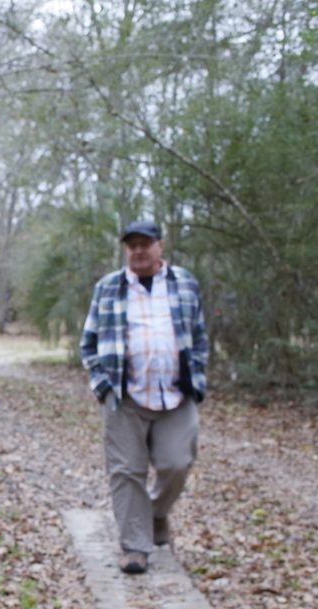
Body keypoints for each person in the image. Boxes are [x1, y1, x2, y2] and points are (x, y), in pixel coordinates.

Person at [79, 221, 209, 574]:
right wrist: (103, 385)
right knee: (127, 471)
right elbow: (88, 341)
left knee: (176, 463)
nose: (138, 251)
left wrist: (196, 378)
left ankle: (156, 513)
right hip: (125, 398)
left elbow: (198, 336)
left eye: (145, 244)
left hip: (176, 396)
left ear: (160, 246)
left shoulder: (185, 283)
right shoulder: (109, 287)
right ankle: (135, 546)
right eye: (132, 245)